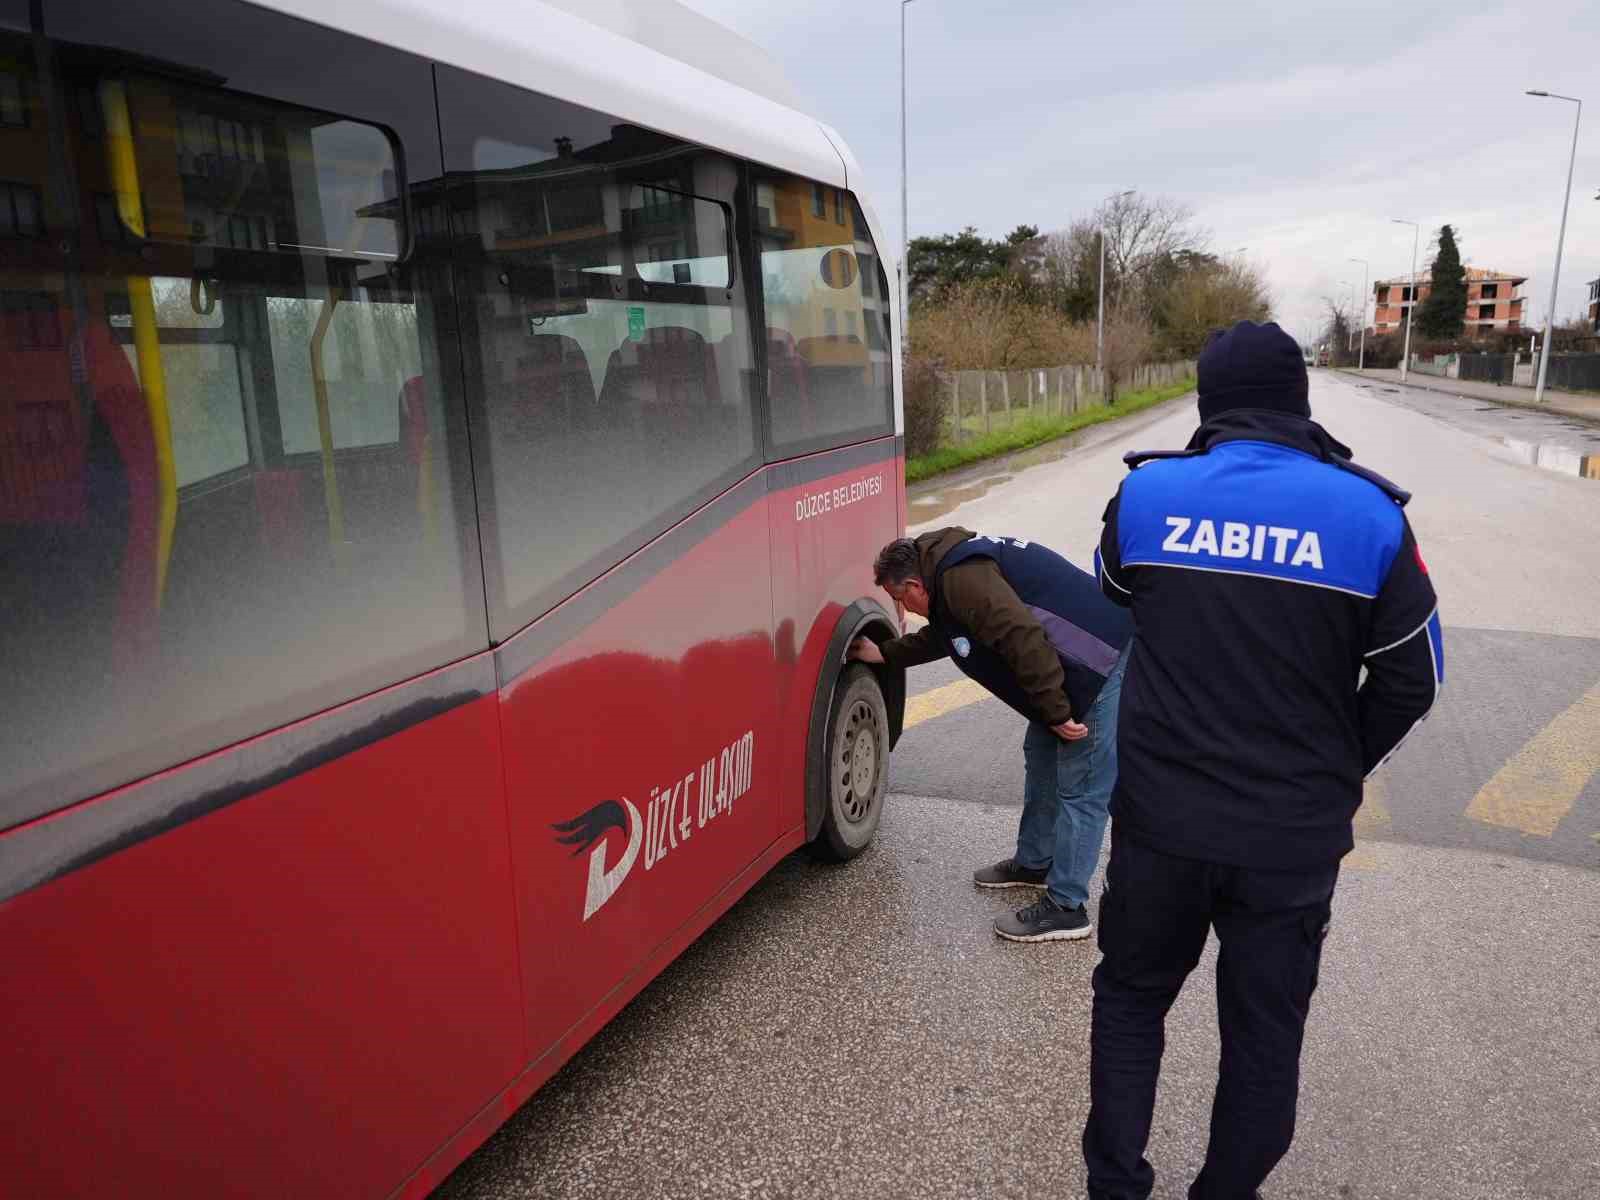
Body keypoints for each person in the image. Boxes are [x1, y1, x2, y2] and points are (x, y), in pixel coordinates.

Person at [1084, 320, 1443, 1199]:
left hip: (1161, 824)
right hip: (1289, 838)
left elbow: (1117, 598)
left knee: (1131, 999)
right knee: (1263, 1035)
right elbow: (1413, 679)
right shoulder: (1370, 516)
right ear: (1300, 401)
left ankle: (1115, 1187)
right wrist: (1334, 767)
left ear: (1206, 401)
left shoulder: (1146, 497)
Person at [849, 528, 1134, 942]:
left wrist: (1055, 710)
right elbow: (949, 631)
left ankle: (1067, 908)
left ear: (913, 584)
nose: (902, 607)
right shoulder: (947, 568)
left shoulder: (961, 578)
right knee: (1041, 759)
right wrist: (886, 653)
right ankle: (1035, 863)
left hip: (1098, 662)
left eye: (899, 598)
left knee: (1082, 787)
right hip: (1067, 666)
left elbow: (1022, 636)